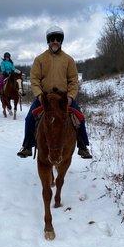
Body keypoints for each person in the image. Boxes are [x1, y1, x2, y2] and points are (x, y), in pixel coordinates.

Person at [17, 26, 92, 159]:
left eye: (58, 39)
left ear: (61, 41)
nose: (55, 41)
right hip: (45, 97)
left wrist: (70, 97)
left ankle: (82, 146)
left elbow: (73, 81)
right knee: (29, 118)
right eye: (52, 39)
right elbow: (34, 79)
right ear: (48, 41)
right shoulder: (39, 59)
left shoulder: (69, 60)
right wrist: (39, 95)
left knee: (79, 117)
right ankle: (27, 146)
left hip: (63, 98)